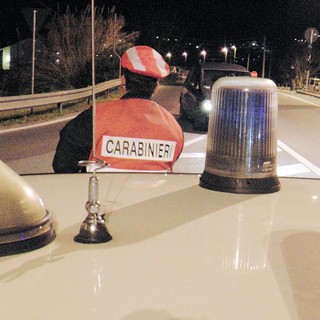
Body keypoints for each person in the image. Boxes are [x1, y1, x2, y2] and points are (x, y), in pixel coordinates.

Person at [52, 46, 184, 173]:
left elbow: (63, 164)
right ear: (156, 87)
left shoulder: (95, 116)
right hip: (154, 196)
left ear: (123, 81)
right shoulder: (173, 126)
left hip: (102, 195)